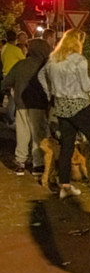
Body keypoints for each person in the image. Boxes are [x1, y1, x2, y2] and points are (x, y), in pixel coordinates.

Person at [38, 29, 90, 199]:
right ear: (76, 42)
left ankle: (65, 186)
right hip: (79, 106)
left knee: (67, 145)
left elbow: (40, 75)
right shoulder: (78, 60)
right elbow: (86, 87)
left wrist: (51, 93)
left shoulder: (53, 59)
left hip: (61, 107)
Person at [1, 37, 52, 175]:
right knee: (38, 134)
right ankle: (38, 164)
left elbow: (6, 83)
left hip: (22, 103)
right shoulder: (45, 66)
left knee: (23, 133)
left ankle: (20, 163)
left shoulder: (21, 65)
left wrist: (11, 92)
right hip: (39, 104)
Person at [2, 30, 25, 126]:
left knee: (10, 97)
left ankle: (9, 116)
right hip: (14, 76)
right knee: (13, 98)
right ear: (15, 38)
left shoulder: (4, 48)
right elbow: (24, 61)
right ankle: (11, 118)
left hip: (5, 75)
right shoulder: (15, 50)